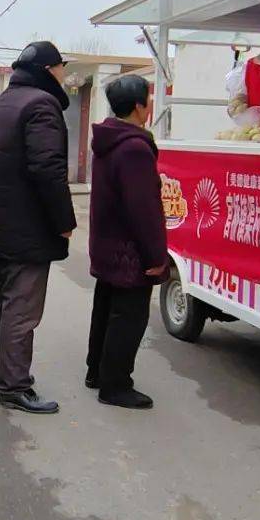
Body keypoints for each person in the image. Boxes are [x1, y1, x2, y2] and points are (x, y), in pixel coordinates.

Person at [0, 41, 76, 415]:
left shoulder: (4, 103)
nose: (64, 76)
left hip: (1, 222)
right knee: (21, 307)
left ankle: (0, 375)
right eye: (62, 68)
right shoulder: (41, 105)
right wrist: (64, 221)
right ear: (50, 69)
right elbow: (47, 168)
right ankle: (15, 385)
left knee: (2, 302)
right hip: (29, 227)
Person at [86, 75, 168, 410]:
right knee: (128, 316)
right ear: (139, 106)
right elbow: (143, 208)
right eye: (148, 100)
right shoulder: (134, 147)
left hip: (107, 241)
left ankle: (97, 371)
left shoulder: (109, 139)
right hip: (129, 248)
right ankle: (115, 384)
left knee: (106, 309)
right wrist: (156, 254)